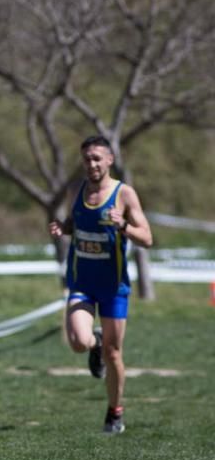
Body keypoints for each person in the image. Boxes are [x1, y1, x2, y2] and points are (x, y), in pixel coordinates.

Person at [49, 135, 153, 434]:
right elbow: (74, 221)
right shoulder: (76, 190)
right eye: (86, 159)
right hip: (82, 280)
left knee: (115, 353)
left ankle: (114, 412)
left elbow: (147, 238)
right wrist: (63, 228)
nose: (92, 164)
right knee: (79, 342)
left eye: (97, 158)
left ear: (109, 160)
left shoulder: (125, 194)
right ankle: (93, 344)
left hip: (113, 287)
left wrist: (123, 225)